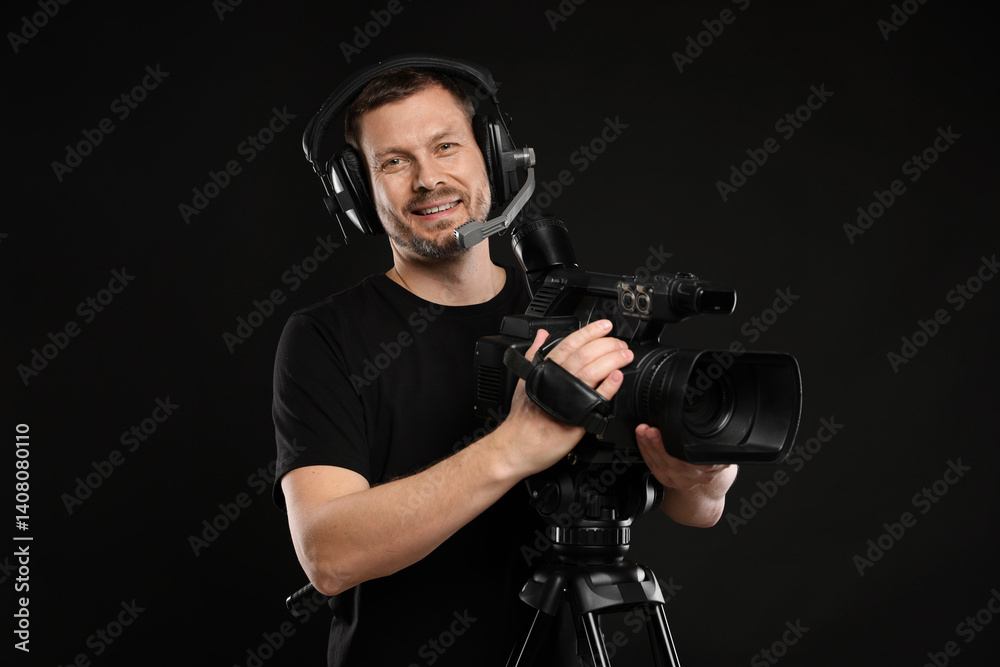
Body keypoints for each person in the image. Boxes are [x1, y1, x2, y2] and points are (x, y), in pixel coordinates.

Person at [272, 61, 738, 666]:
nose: (428, 179)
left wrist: (702, 474)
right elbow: (329, 557)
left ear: (493, 156)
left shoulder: (577, 317)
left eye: (446, 147)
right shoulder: (323, 337)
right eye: (393, 162)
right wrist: (514, 446)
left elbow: (696, 509)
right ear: (359, 192)